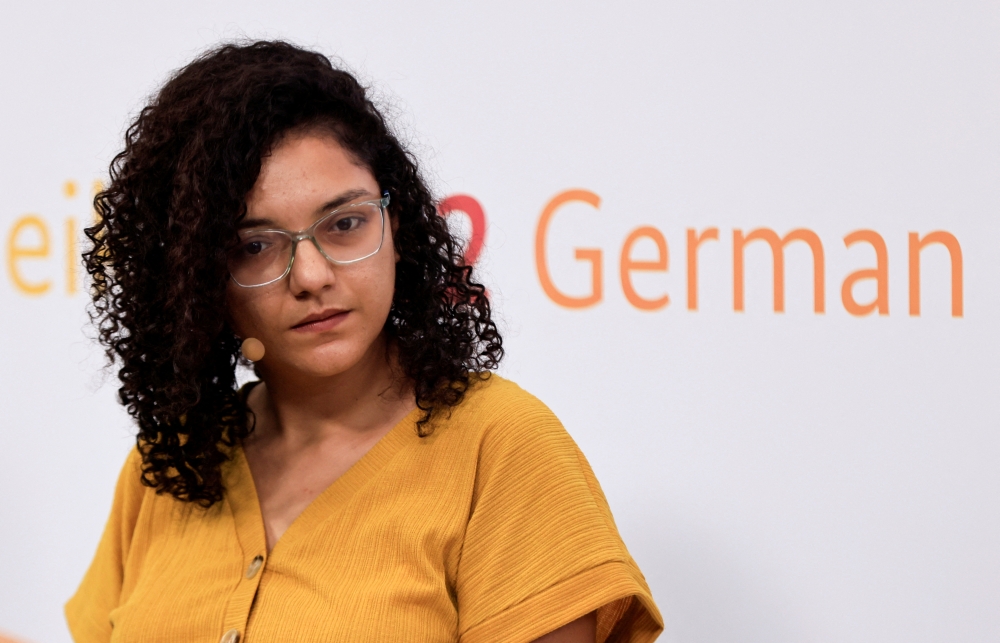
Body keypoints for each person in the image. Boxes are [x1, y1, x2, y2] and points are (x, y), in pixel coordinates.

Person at [65, 40, 663, 643]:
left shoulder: (502, 447)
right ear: (196, 275)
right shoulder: (169, 462)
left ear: (394, 224)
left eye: (345, 224)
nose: (313, 276)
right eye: (255, 245)